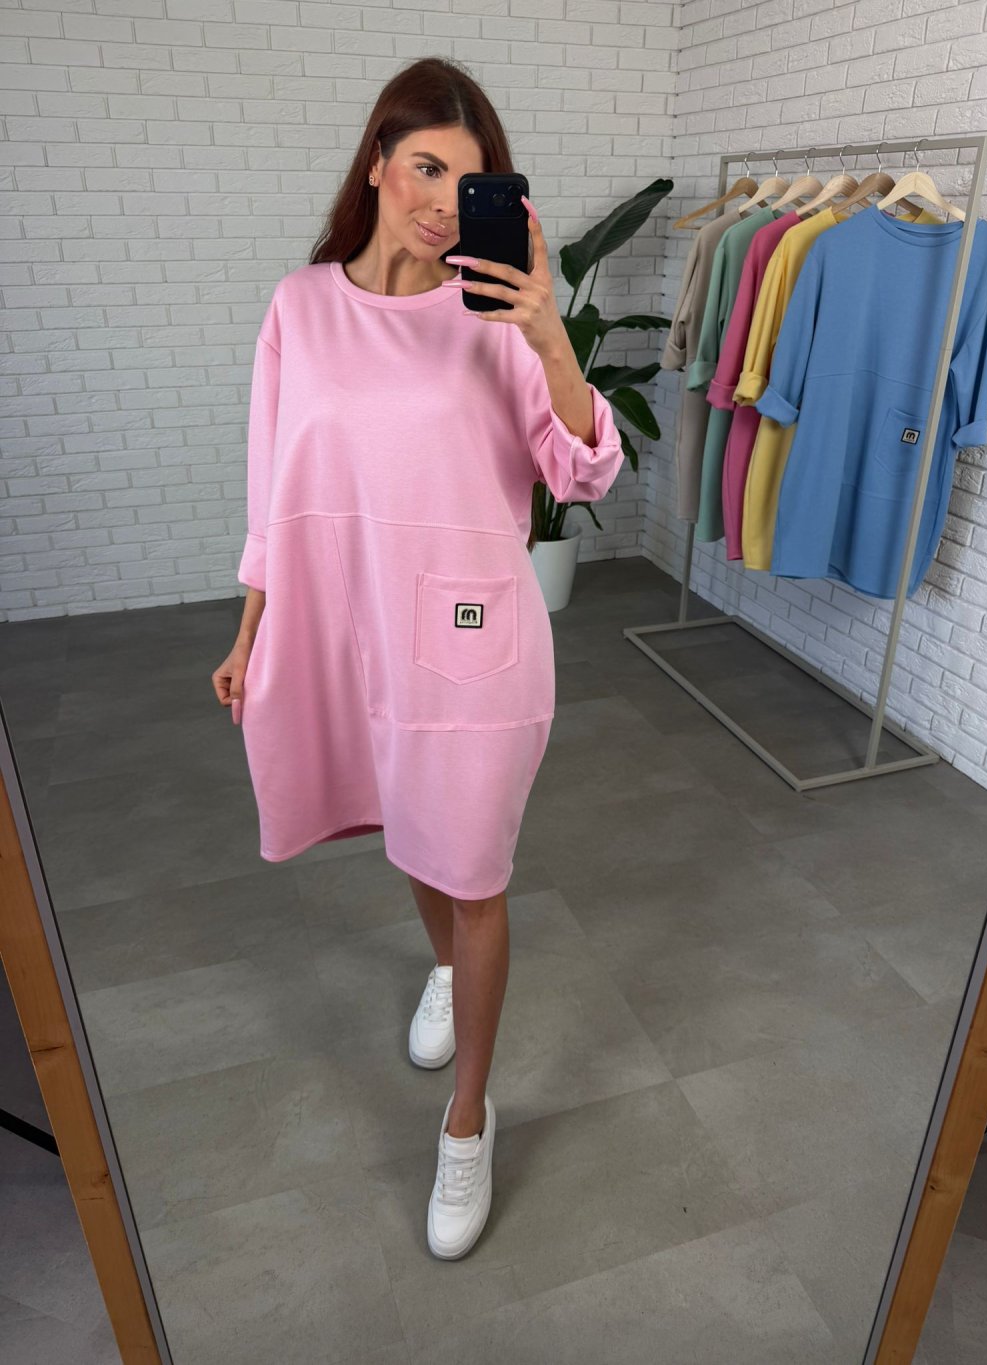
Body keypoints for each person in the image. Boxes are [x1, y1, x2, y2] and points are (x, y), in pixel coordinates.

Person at [211, 56, 624, 1260]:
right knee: (407, 832)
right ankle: (441, 969)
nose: (445, 202)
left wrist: (547, 336)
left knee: (474, 868)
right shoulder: (298, 308)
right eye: (427, 169)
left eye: (470, 180)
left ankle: (466, 1123)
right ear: (378, 167)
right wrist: (248, 631)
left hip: (473, 644)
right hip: (344, 631)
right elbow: (272, 492)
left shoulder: (496, 319)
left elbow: (584, 471)